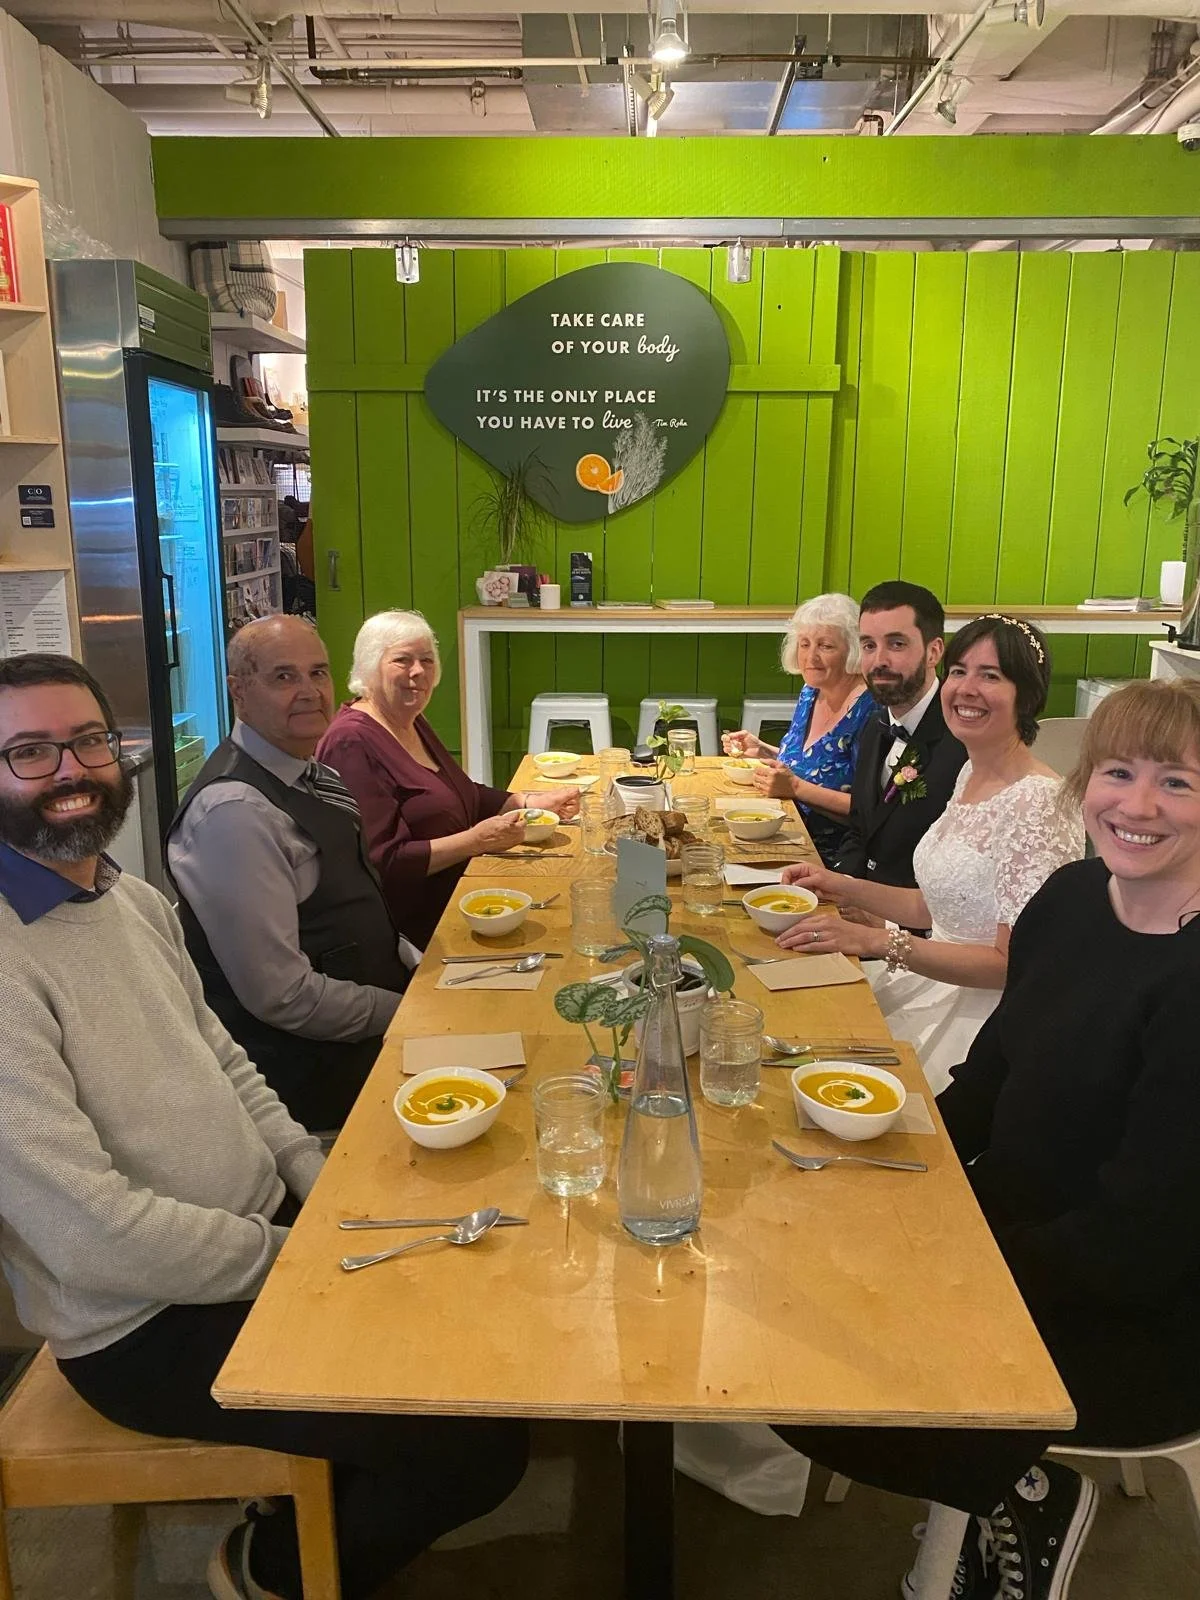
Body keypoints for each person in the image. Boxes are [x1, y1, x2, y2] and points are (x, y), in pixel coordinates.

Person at [0, 653, 528, 1600]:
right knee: (478, 1439)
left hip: (259, 1229)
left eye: (85, 740)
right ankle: (266, 1572)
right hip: (141, 1324)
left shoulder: (123, 897)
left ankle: (320, 1496)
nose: (71, 770)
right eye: (29, 753)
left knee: (480, 1312)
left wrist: (306, 1172)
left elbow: (224, 1055)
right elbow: (91, 1235)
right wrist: (289, 1254)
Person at [775, 675, 1200, 1600]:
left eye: (1179, 783)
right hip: (1012, 1233)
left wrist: (952, 1260)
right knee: (788, 1294)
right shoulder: (1075, 899)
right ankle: (1002, 1487)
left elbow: (1141, 1239)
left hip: (1131, 1308)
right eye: (1119, 771)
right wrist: (894, 1159)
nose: (1137, 804)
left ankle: (1026, 1486)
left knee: (813, 1372)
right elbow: (992, 1076)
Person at [777, 615, 1083, 1091]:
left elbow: (1016, 963)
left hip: (978, 1024)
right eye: (959, 671)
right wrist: (835, 884)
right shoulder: (971, 774)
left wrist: (878, 943)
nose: (966, 688)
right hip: (926, 979)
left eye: (991, 676)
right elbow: (933, 903)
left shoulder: (1038, 802)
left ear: (1027, 693)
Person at [167, 616, 407, 1132]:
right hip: (316, 1085)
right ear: (239, 691)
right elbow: (283, 996)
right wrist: (410, 1012)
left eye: (318, 673)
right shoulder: (235, 812)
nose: (309, 692)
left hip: (369, 1033)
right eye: (284, 677)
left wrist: (420, 968)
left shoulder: (311, 771)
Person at [317, 609, 581, 948]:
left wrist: (527, 801)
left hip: (465, 898)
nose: (418, 672)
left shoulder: (408, 718)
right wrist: (477, 841)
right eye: (402, 660)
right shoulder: (351, 742)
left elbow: (459, 792)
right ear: (369, 666)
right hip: (415, 934)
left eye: (427, 660)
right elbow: (385, 862)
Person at [721, 593, 872, 863]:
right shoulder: (812, 691)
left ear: (853, 649)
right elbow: (813, 765)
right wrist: (764, 751)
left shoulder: (869, 710)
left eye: (825, 646)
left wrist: (796, 789)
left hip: (828, 855)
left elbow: (870, 811)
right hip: (786, 827)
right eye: (804, 644)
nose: (811, 657)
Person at [836, 579, 967, 888]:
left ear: (934, 652)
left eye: (896, 644)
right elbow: (859, 829)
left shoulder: (962, 741)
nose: (879, 660)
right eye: (869, 645)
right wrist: (840, 887)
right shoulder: (876, 724)